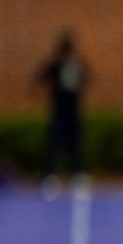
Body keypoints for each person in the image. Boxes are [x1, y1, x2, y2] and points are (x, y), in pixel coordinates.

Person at [35, 31, 88, 192]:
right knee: (54, 143)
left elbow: (85, 79)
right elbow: (40, 76)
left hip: (72, 111)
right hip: (58, 110)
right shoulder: (56, 66)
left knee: (74, 143)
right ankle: (50, 174)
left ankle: (76, 173)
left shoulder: (75, 66)